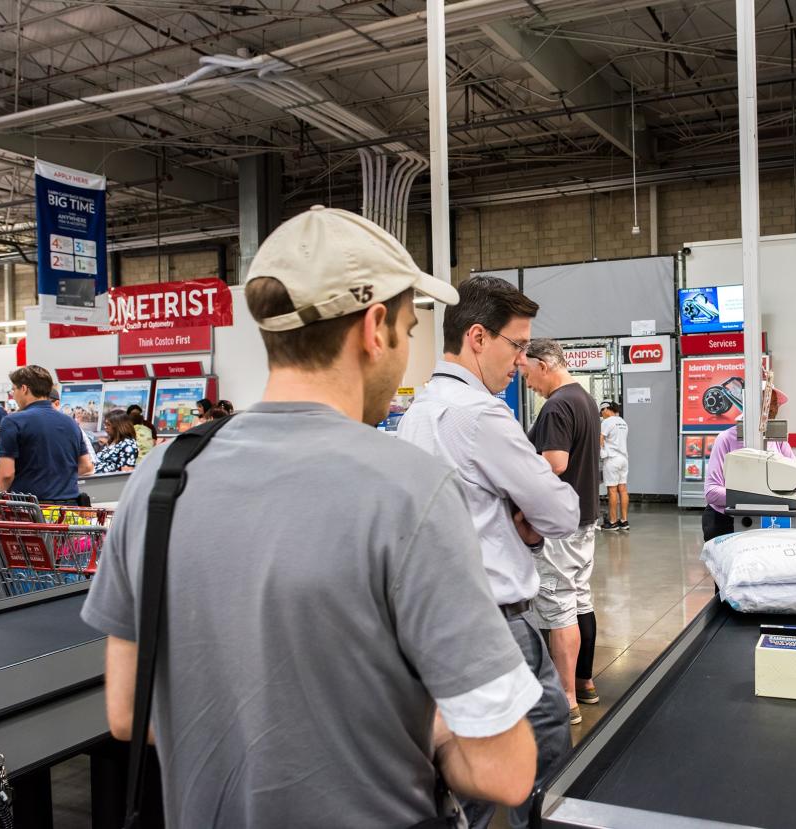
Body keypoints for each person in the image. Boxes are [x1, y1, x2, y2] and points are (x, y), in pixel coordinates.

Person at [81, 207, 540, 827]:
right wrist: (424, 725)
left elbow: (126, 709)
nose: (404, 351)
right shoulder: (410, 489)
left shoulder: (161, 478)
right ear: (375, 328)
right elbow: (503, 771)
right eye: (407, 329)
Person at [397, 275, 579, 829]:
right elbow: (560, 512)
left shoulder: (418, 414)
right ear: (478, 337)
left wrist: (507, 518)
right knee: (548, 764)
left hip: (438, 622)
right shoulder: (481, 415)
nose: (521, 361)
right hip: (500, 626)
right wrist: (519, 519)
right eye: (517, 346)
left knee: (465, 776)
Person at [522, 338, 602, 724]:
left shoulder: (556, 405)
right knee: (580, 598)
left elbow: (554, 462)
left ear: (543, 365)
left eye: (526, 372)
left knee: (557, 605)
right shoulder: (583, 399)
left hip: (559, 524)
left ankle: (565, 696)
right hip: (585, 516)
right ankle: (584, 682)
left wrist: (513, 465)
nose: (527, 382)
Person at [702, 385, 792, 542]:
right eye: (770, 402)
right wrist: (756, 497)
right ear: (754, 405)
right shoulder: (726, 439)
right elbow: (712, 492)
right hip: (726, 521)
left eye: (776, 403)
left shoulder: (777, 439)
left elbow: (795, 473)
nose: (774, 408)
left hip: (764, 520)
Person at [0, 366, 94, 503]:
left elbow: (6, 474)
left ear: (24, 389)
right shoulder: (70, 422)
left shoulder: (12, 421)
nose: (13, 395)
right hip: (69, 509)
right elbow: (86, 466)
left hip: (31, 509)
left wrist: (4, 495)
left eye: (14, 389)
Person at [599, 401, 630, 531]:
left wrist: (602, 452)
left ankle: (612, 522)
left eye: (601, 411)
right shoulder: (622, 422)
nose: (601, 414)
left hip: (612, 459)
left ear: (606, 409)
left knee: (612, 491)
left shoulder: (607, 422)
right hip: (623, 459)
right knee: (622, 489)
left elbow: (601, 438)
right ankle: (624, 521)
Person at [92, 409, 139, 473]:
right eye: (105, 424)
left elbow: (126, 473)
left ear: (119, 426)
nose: (105, 427)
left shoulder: (128, 444)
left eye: (108, 425)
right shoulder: (113, 441)